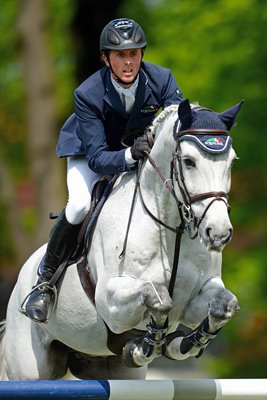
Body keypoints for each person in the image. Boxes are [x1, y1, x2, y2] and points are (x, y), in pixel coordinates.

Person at [25, 18, 184, 323]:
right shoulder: (88, 93)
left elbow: (179, 122)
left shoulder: (162, 79)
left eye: (134, 54)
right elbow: (98, 158)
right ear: (105, 58)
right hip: (89, 152)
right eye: (120, 55)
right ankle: (45, 281)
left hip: (136, 153)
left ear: (142, 55)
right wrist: (128, 154)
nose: (128, 62)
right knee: (80, 205)